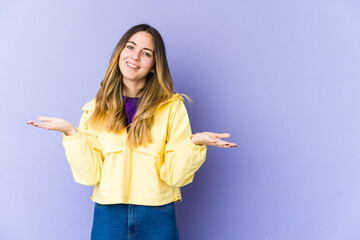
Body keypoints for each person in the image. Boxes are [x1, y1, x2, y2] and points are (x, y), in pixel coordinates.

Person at [27, 24, 237, 240]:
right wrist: (71, 133)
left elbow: (175, 176)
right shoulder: (94, 109)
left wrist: (195, 144)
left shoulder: (172, 107)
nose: (135, 57)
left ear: (155, 65)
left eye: (146, 53)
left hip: (158, 214)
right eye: (130, 47)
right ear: (120, 52)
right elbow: (90, 175)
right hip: (108, 215)